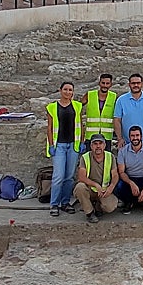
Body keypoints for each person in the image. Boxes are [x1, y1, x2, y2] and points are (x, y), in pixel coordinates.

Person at [45, 81, 83, 217]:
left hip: (73, 145)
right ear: (60, 90)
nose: (68, 92)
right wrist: (50, 145)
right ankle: (54, 204)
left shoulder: (77, 106)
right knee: (58, 176)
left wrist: (81, 142)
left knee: (69, 176)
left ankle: (65, 202)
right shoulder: (52, 107)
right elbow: (49, 128)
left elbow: (80, 125)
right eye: (65, 89)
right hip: (59, 145)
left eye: (70, 90)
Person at [73, 134, 118, 223]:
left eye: (100, 143)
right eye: (95, 144)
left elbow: (115, 175)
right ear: (91, 146)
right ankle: (89, 213)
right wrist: (95, 185)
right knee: (80, 187)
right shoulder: (85, 157)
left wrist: (111, 187)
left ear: (104, 145)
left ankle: (98, 206)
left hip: (103, 190)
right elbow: (81, 177)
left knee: (110, 206)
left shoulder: (110, 157)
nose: (98, 146)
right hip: (90, 189)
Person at [115, 125, 143, 213]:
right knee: (118, 187)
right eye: (132, 136)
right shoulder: (122, 151)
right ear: (129, 137)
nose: (135, 138)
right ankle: (129, 202)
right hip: (129, 179)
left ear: (141, 136)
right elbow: (121, 172)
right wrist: (131, 183)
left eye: (137, 135)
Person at [113, 73, 143, 150]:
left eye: (138, 83)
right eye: (133, 83)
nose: (136, 85)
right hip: (127, 144)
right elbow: (117, 120)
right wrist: (120, 139)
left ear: (142, 84)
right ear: (129, 84)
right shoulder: (121, 100)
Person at [83, 72, 117, 151]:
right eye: (103, 83)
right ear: (99, 83)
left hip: (106, 137)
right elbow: (78, 107)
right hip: (91, 136)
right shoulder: (90, 95)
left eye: (107, 83)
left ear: (111, 84)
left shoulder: (114, 97)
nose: (105, 85)